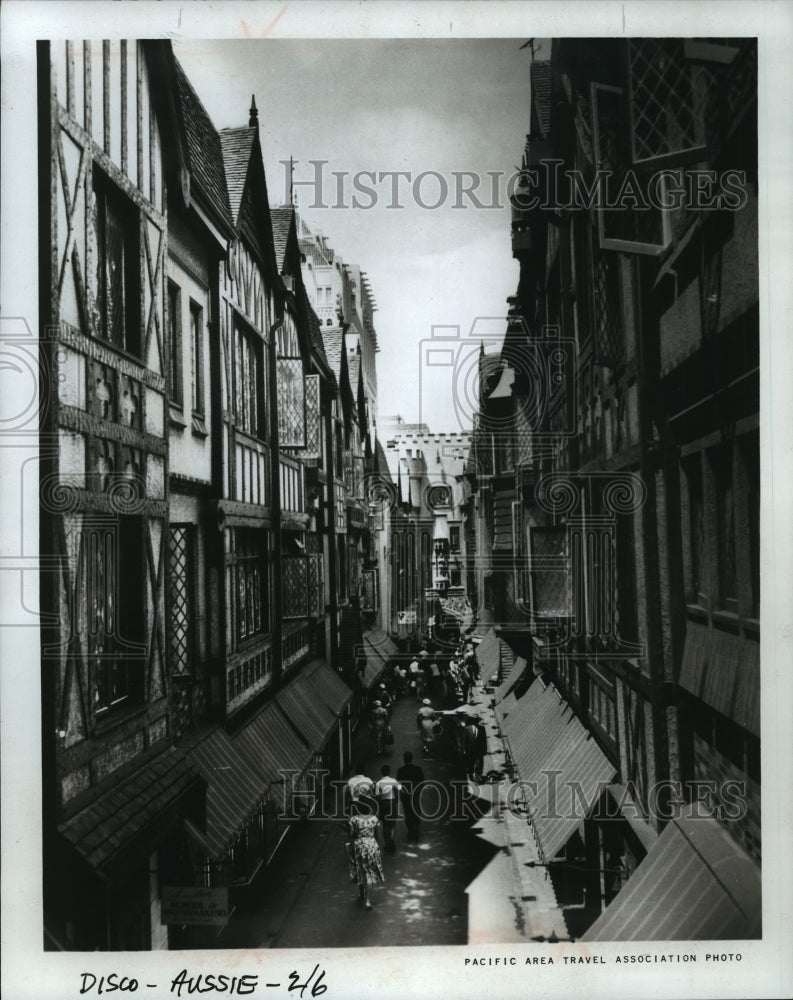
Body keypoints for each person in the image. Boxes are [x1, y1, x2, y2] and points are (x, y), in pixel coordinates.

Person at [346, 798, 385, 909]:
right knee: (369, 873)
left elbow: (351, 834)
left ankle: (361, 893)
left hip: (359, 845)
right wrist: (375, 845)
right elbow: (377, 835)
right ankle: (368, 901)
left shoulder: (354, 819)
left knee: (360, 869)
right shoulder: (374, 819)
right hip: (372, 844)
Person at [396, 751, 425, 843]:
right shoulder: (418, 769)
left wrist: (402, 790)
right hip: (415, 794)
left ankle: (410, 831)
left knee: (408, 813)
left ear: (404, 759)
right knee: (416, 812)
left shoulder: (400, 770)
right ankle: (416, 830)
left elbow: (398, 784)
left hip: (405, 796)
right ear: (412, 759)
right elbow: (422, 782)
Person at [374, 764, 401, 852]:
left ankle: (386, 843)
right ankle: (391, 840)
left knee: (385, 824)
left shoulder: (378, 783)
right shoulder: (393, 780)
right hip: (392, 802)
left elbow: (377, 795)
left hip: (383, 804)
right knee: (392, 824)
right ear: (389, 772)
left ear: (382, 773)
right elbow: (400, 788)